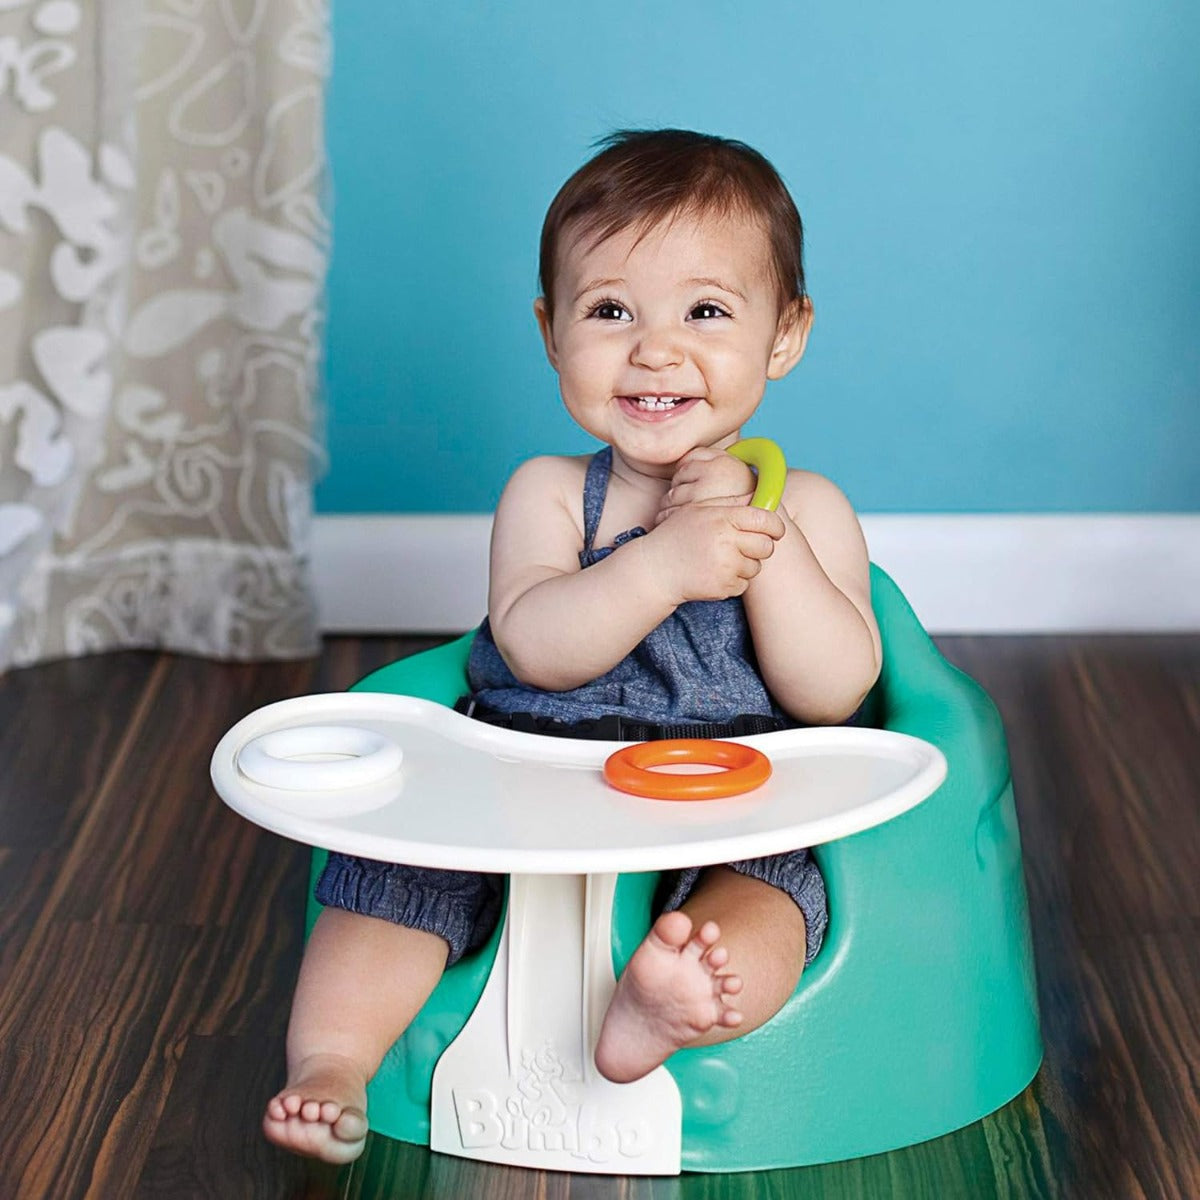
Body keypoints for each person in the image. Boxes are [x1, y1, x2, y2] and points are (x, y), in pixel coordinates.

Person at [264, 128, 881, 1163]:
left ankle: (671, 1002)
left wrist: (761, 547)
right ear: (553, 333)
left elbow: (835, 691)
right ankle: (331, 1060)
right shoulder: (549, 493)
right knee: (395, 877)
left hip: (731, 797)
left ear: (786, 336)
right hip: (526, 781)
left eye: (708, 312)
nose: (655, 348)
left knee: (770, 901)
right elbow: (537, 647)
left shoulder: (809, 507)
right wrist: (664, 564)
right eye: (609, 311)